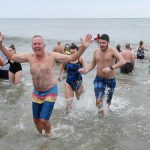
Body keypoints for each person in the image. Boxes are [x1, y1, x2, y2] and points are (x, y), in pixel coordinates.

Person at [0, 32, 92, 136]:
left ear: (44, 45)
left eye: (39, 43)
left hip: (50, 91)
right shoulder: (29, 56)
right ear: (32, 46)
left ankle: (48, 136)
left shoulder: (52, 56)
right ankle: (42, 136)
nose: (37, 46)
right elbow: (12, 56)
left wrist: (83, 47)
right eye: (34, 44)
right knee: (36, 120)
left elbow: (70, 58)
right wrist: (0, 44)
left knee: (43, 120)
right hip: (36, 92)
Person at [79, 34, 125, 117]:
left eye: (103, 43)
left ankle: (105, 114)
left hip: (110, 79)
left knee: (107, 102)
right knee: (99, 100)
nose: (101, 44)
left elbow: (123, 61)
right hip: (99, 78)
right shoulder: (96, 52)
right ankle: (101, 118)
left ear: (108, 42)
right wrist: (85, 70)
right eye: (100, 43)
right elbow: (92, 65)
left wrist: (111, 68)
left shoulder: (113, 51)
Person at [58, 43, 86, 113]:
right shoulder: (67, 58)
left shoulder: (80, 59)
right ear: (69, 52)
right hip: (69, 83)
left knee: (80, 102)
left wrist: (83, 69)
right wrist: (59, 75)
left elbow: (86, 67)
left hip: (78, 83)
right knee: (68, 104)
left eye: (75, 53)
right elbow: (62, 65)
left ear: (78, 52)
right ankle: (68, 119)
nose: (73, 54)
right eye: (72, 53)